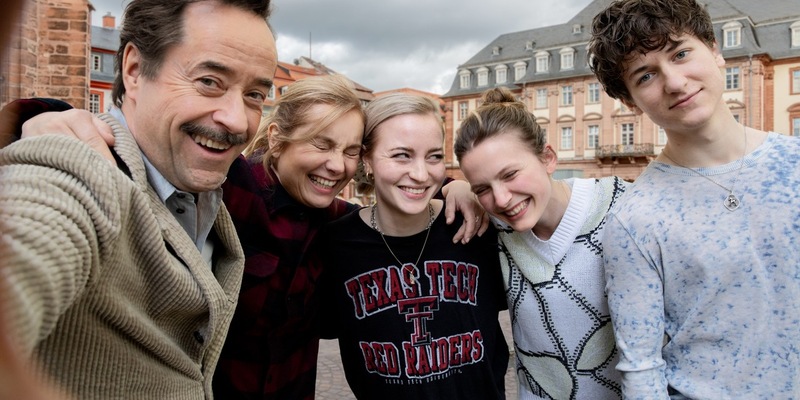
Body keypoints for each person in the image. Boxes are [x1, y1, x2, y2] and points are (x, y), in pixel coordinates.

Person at [14, 75, 487, 400]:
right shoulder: (228, 187)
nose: (335, 165)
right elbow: (150, 149)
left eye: (346, 150)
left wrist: (458, 185)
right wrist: (48, 117)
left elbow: (402, 189)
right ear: (278, 140)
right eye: (320, 145)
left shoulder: (338, 222)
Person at [0, 0, 277, 398]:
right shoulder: (80, 168)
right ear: (134, 70)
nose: (236, 119)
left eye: (254, 94)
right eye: (209, 81)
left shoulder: (221, 191)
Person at [589, 0, 800, 398]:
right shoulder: (634, 218)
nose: (674, 82)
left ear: (716, 51)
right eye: (646, 75)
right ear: (631, 102)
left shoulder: (794, 162)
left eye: (680, 53)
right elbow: (641, 368)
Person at [316, 93, 509, 399]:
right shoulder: (334, 245)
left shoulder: (473, 225)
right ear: (366, 158)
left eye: (433, 156)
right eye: (402, 155)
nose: (421, 174)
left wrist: (461, 187)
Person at [455, 87, 627, 400]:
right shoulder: (496, 226)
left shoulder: (620, 206)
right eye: (482, 188)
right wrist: (455, 189)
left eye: (510, 174)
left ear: (547, 157)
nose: (502, 199)